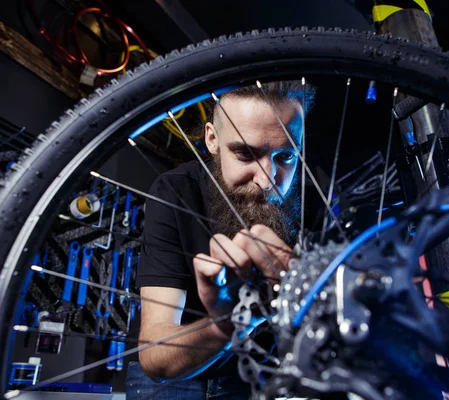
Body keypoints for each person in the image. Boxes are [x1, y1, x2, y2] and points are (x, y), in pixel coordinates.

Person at [127, 81, 314, 399]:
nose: (267, 180)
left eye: (286, 157)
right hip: (178, 373)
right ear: (212, 139)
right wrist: (231, 322)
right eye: (245, 153)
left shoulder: (317, 197)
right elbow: (154, 357)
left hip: (260, 377)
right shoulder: (175, 191)